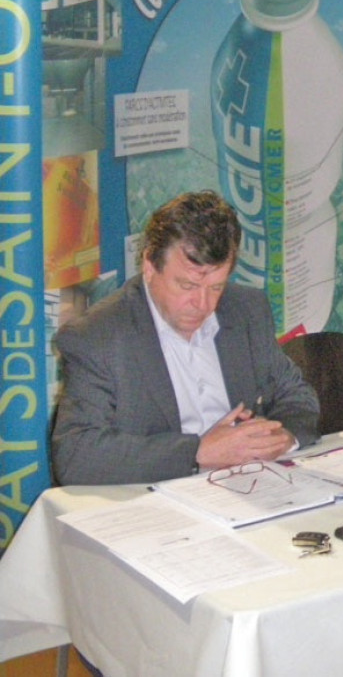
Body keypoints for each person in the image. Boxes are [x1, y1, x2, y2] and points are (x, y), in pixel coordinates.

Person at [51, 191, 320, 486]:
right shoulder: (98, 336)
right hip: (154, 504)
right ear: (150, 267)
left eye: (216, 287)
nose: (203, 304)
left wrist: (281, 437)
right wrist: (198, 453)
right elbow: (77, 456)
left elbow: (296, 395)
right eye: (188, 285)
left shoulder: (246, 310)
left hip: (248, 489)